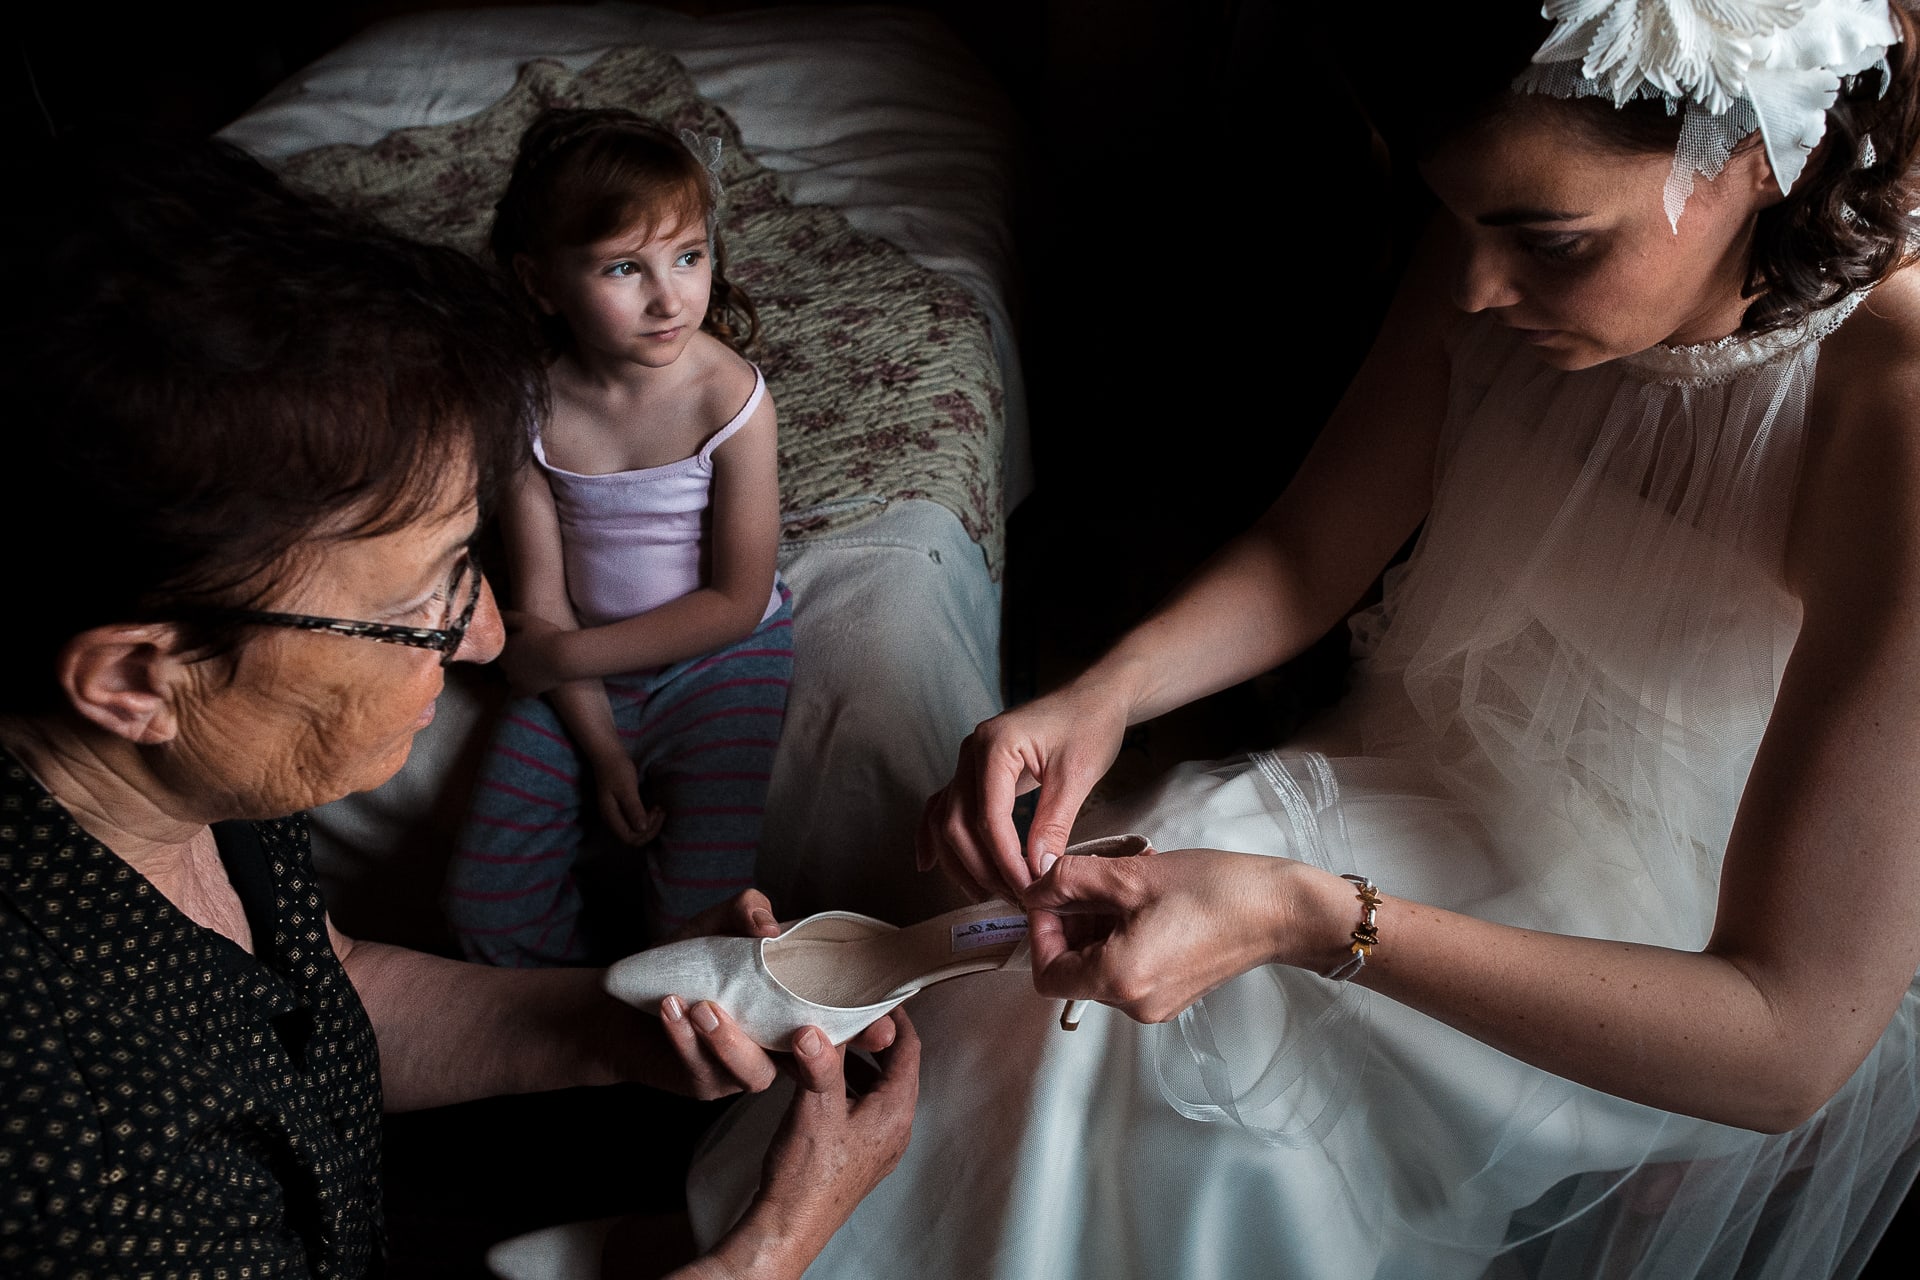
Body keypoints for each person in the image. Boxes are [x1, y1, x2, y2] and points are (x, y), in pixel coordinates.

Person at [687, 2, 1920, 1276]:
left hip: (1660, 935)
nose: (1480, 287)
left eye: (1548, 239)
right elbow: (1309, 553)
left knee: (1206, 1116)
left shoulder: (1896, 411)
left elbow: (1788, 1036)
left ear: (1768, 156)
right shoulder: (1499, 247)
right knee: (1049, 985)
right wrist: (1103, 695)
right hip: (1412, 773)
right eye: (1463, 222)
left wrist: (1302, 915)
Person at [0, 134, 913, 1280]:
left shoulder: (204, 770)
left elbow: (317, 996)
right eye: (422, 599)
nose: (487, 636)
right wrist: (772, 1248)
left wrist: (615, 1022)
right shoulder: (68, 1138)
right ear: (138, 680)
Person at [445, 107, 792, 966]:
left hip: (720, 662)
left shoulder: (732, 400)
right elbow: (544, 601)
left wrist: (561, 661)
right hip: (584, 676)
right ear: (541, 283)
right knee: (482, 903)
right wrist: (602, 749)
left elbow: (738, 600)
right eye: (624, 268)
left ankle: (679, 1039)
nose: (670, 297)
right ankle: (581, 1018)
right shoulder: (528, 408)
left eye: (689, 256)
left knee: (700, 912)